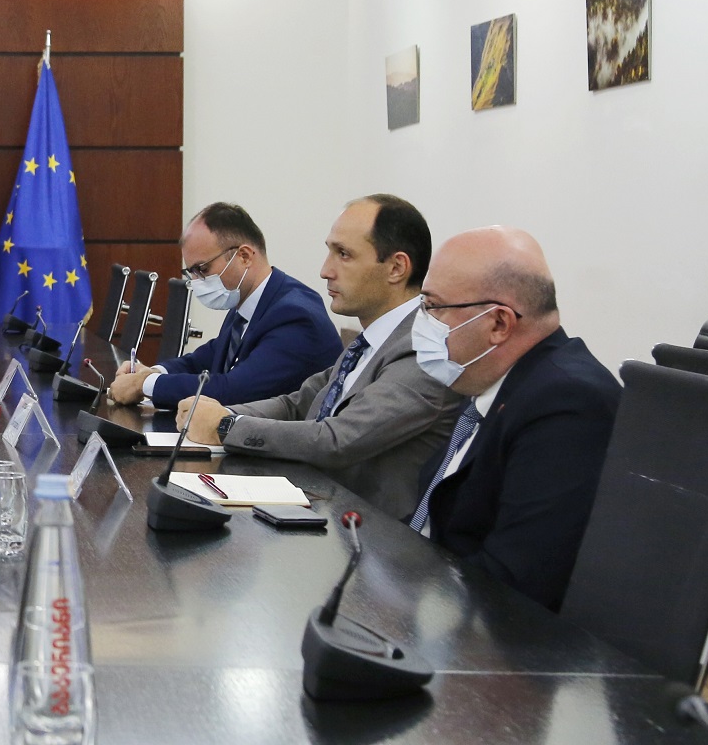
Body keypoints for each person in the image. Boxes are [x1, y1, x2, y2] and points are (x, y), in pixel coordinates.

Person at [172, 195, 461, 518]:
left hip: (371, 535)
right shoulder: (373, 338)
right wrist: (217, 413)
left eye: (343, 254)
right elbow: (297, 404)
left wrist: (226, 426)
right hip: (324, 508)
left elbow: (338, 439)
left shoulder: (424, 350)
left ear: (396, 268)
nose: (325, 271)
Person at [402, 226, 621, 610]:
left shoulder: (568, 404)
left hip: (479, 628)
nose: (422, 322)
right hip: (428, 585)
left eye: (433, 307)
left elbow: (514, 581)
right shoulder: (489, 380)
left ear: (499, 324)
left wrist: (405, 598)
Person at [108, 202, 341, 408]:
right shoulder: (247, 302)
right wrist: (154, 372)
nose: (196, 281)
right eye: (191, 272)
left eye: (203, 269)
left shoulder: (294, 315)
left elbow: (234, 391)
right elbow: (207, 358)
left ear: (244, 256)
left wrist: (144, 385)